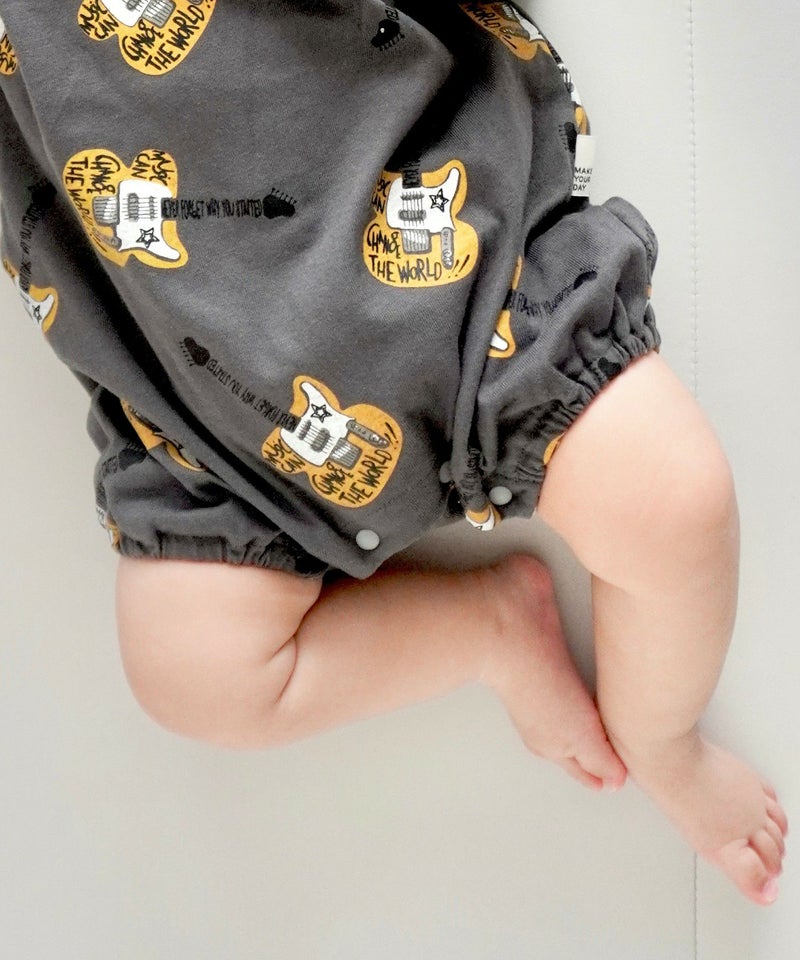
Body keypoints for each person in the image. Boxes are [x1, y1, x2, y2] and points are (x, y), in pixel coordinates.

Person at [0, 0, 786, 907]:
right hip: (216, 416)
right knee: (191, 674)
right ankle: (486, 629)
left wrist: (665, 738)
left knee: (677, 505)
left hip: (453, 268)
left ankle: (661, 740)